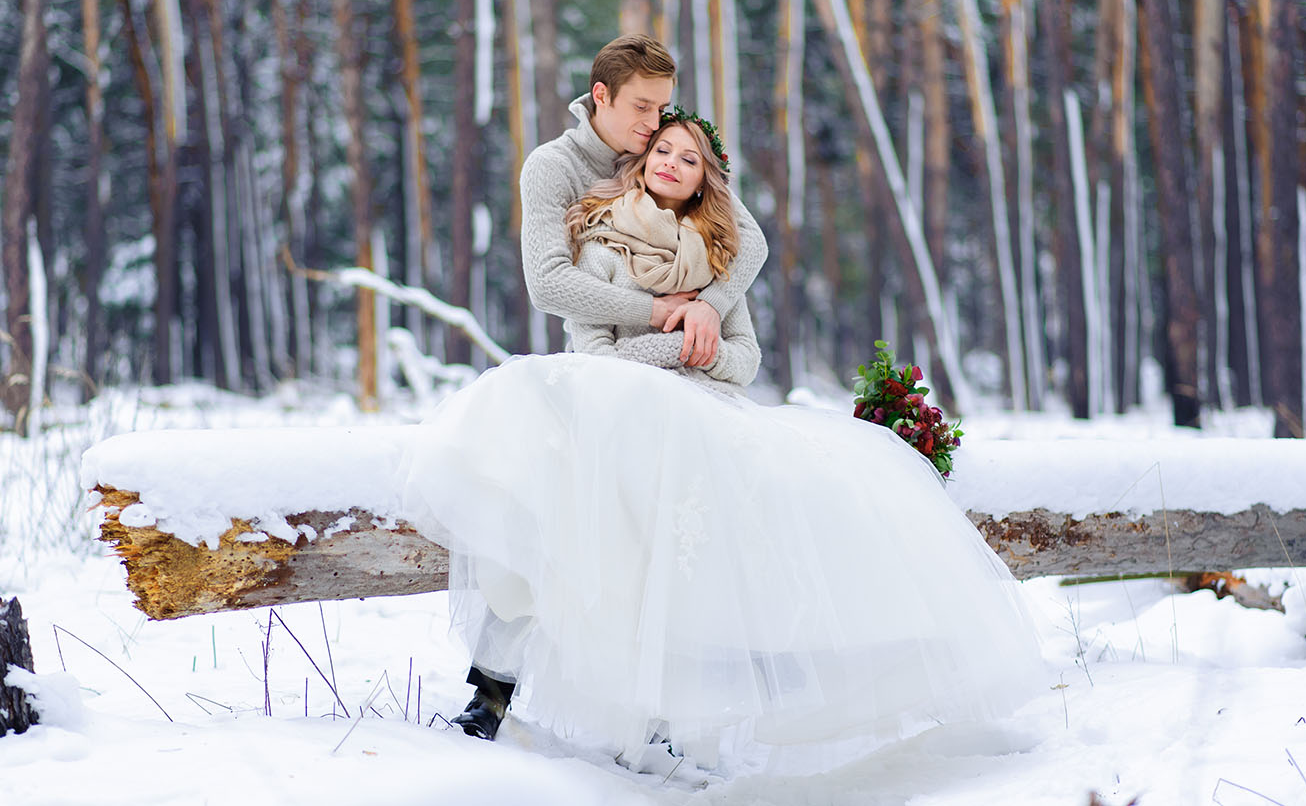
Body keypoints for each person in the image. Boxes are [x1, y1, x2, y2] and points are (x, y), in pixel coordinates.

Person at [408, 109, 1044, 771]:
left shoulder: (711, 261)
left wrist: (703, 327)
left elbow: (743, 360)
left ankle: (673, 720)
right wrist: (677, 334)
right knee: (566, 517)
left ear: (704, 183)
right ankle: (491, 695)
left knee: (718, 535)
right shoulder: (596, 244)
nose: (671, 165)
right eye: (663, 150)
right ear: (641, 159)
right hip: (609, 420)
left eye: (689, 161)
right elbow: (592, 354)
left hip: (702, 415)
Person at [449, 34, 768, 740]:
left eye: (664, 109)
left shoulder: (671, 162)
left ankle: (678, 702)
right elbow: (548, 283)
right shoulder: (555, 169)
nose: (658, 127)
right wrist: (666, 318)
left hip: (681, 394)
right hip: (600, 376)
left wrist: (709, 308)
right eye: (643, 109)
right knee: (542, 499)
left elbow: (748, 240)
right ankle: (494, 687)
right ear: (601, 98)